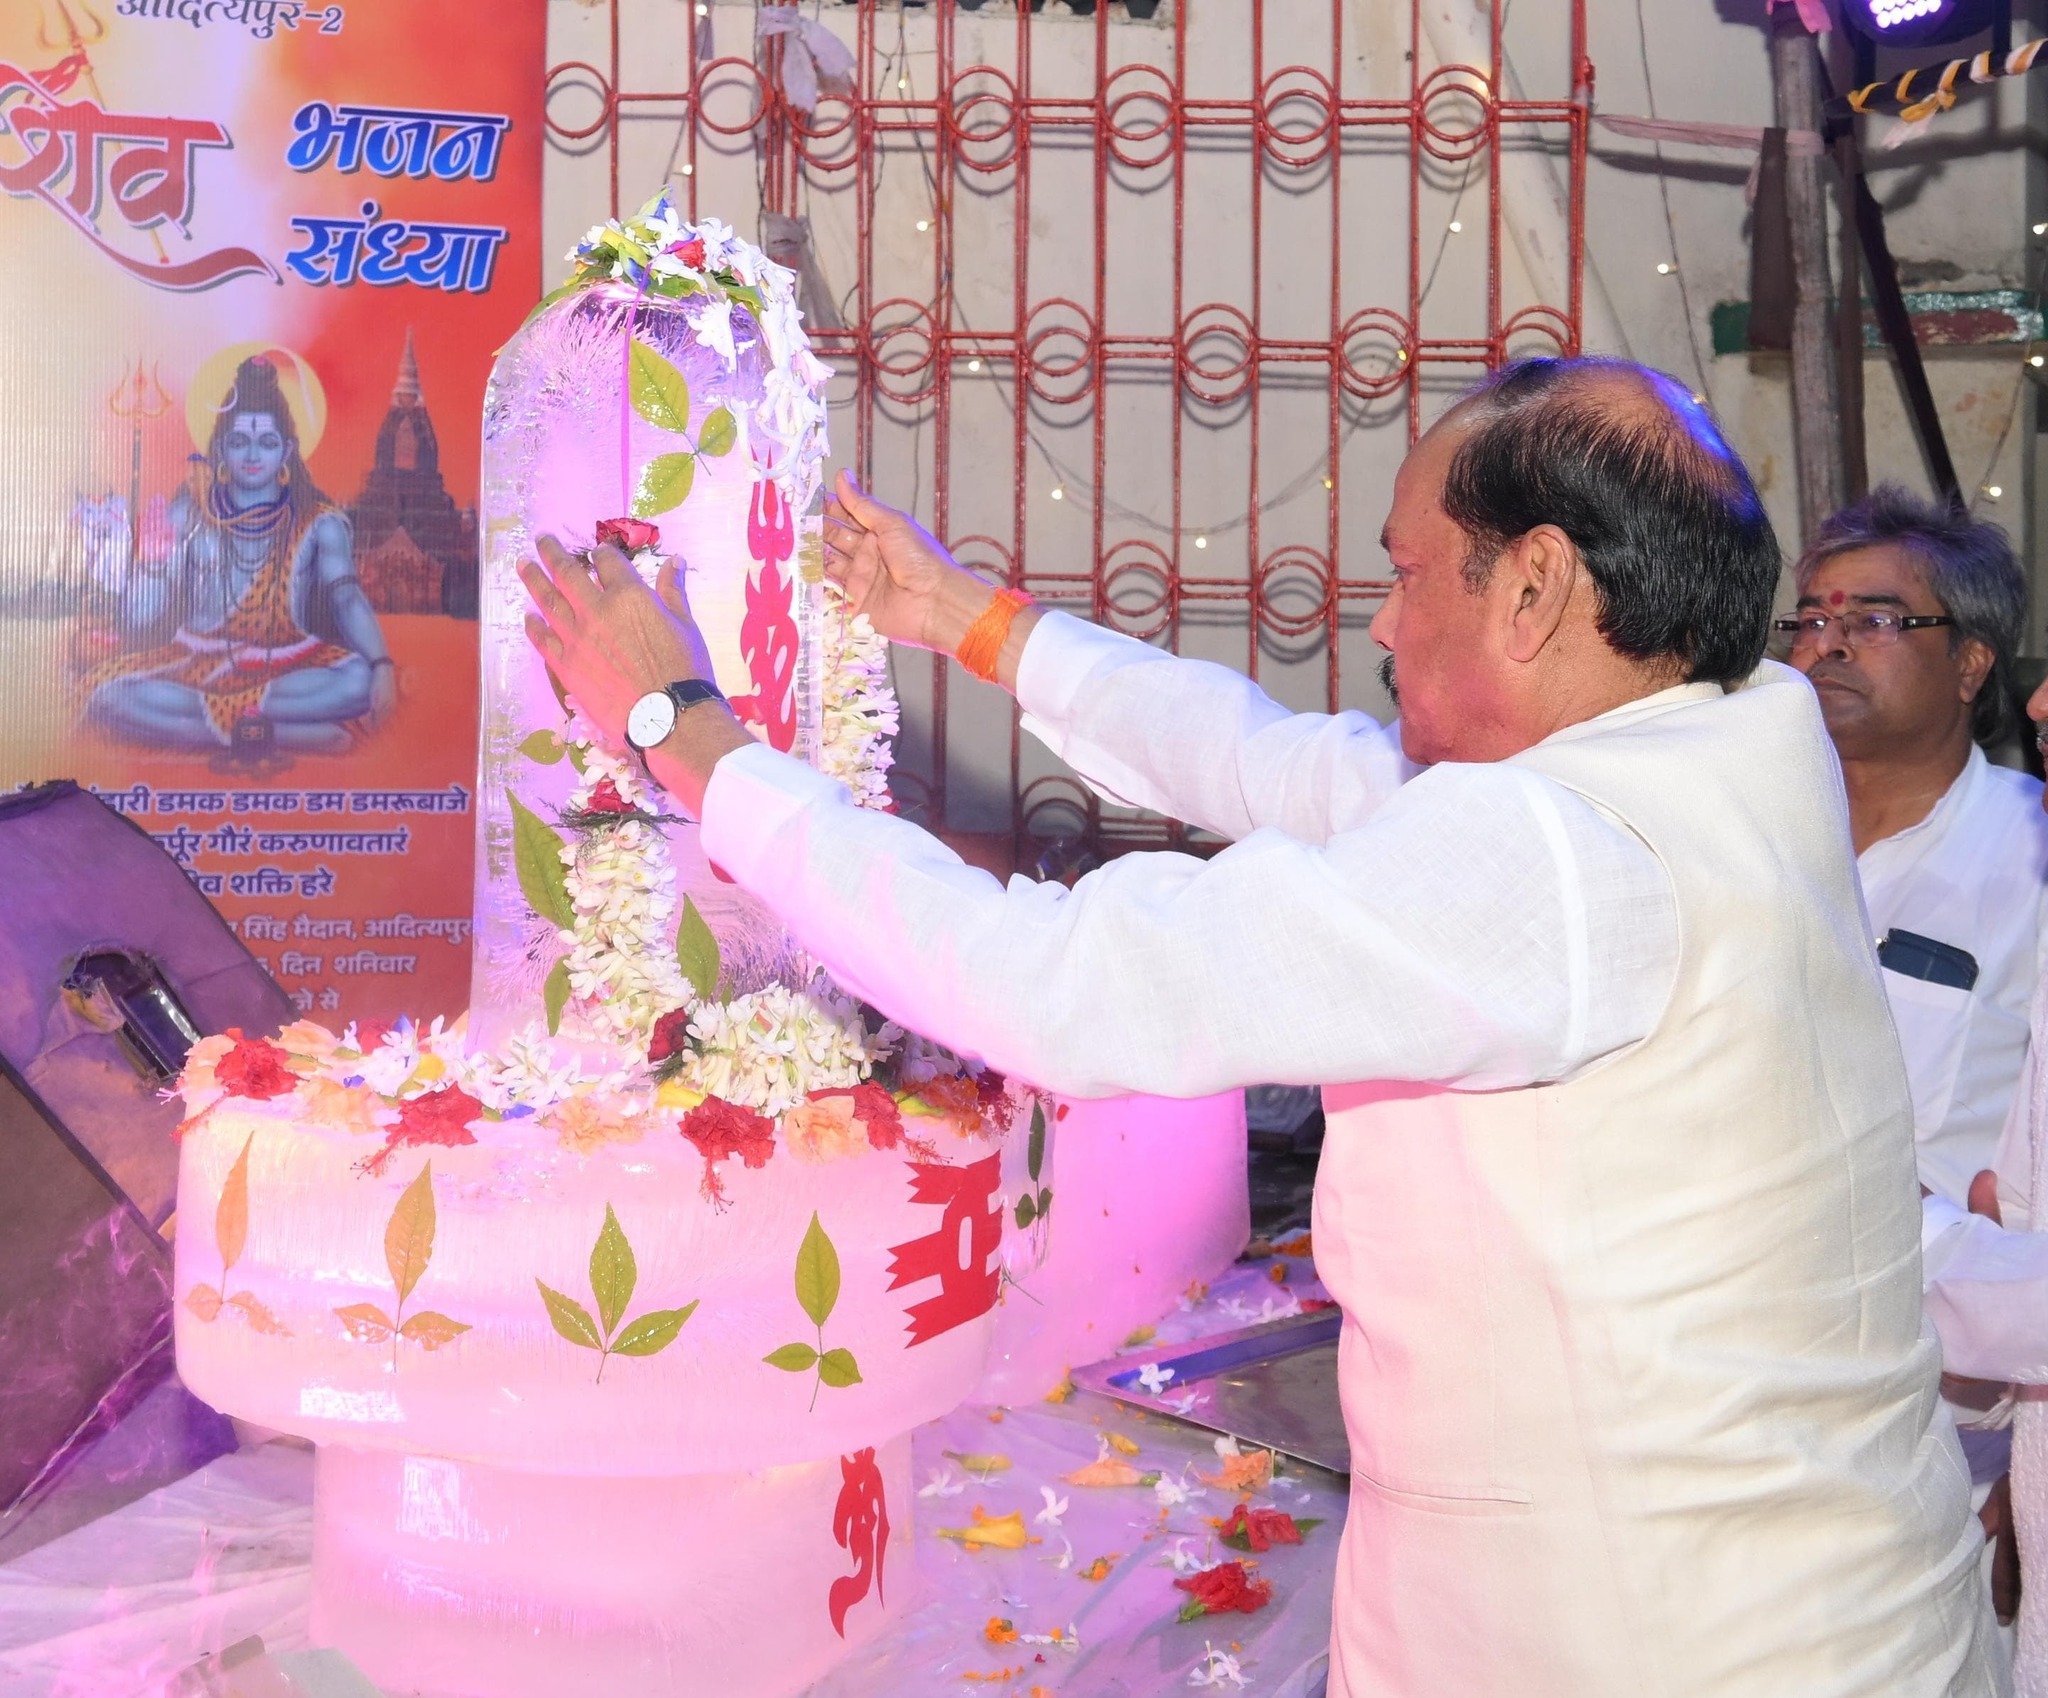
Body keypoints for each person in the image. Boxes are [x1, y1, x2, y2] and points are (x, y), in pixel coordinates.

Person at [520, 356, 1997, 1696]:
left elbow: (1053, 981)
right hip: (1814, 1597)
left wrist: (684, 732)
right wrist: (966, 620)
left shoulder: (1566, 858)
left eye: (1407, 572)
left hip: (1669, 1641)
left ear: (1535, 587)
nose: (1382, 622)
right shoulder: (1725, 745)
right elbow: (1274, 764)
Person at [1784, 488, 2048, 1618]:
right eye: (1809, 616)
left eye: (1876, 618)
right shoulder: (1748, 842)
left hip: (1942, 1433)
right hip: (1732, 1396)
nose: (1827, 641)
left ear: (1970, 664)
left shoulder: (2028, 858)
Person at [81, 353, 395, 754]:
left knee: (357, 681)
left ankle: (214, 730)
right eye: (239, 442)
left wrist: (381, 664)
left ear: (287, 451)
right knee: (111, 695)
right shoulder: (188, 514)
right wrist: (151, 566)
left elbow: (347, 598)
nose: (252, 456)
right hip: (195, 663)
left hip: (289, 665)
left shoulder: (319, 523)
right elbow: (136, 620)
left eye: (267, 443)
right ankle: (283, 734)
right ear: (220, 449)